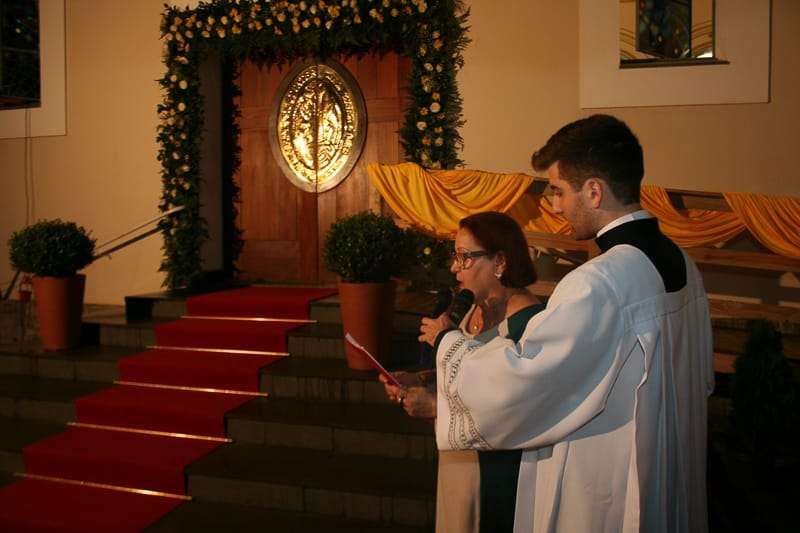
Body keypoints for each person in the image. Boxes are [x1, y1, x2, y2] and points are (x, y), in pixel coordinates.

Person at [428, 115, 714, 532]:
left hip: (604, 490)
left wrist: (448, 345)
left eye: (559, 191)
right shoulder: (683, 263)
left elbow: (523, 381)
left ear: (594, 191)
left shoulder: (600, 282)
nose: (555, 205)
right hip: (670, 474)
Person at [381, 211, 544, 533]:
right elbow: (465, 371)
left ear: (500, 261)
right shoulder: (470, 308)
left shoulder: (532, 324)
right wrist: (422, 379)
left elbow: (512, 404)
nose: (454, 267)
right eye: (454, 256)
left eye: (465, 257)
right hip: (457, 461)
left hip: (500, 469)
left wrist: (437, 406)